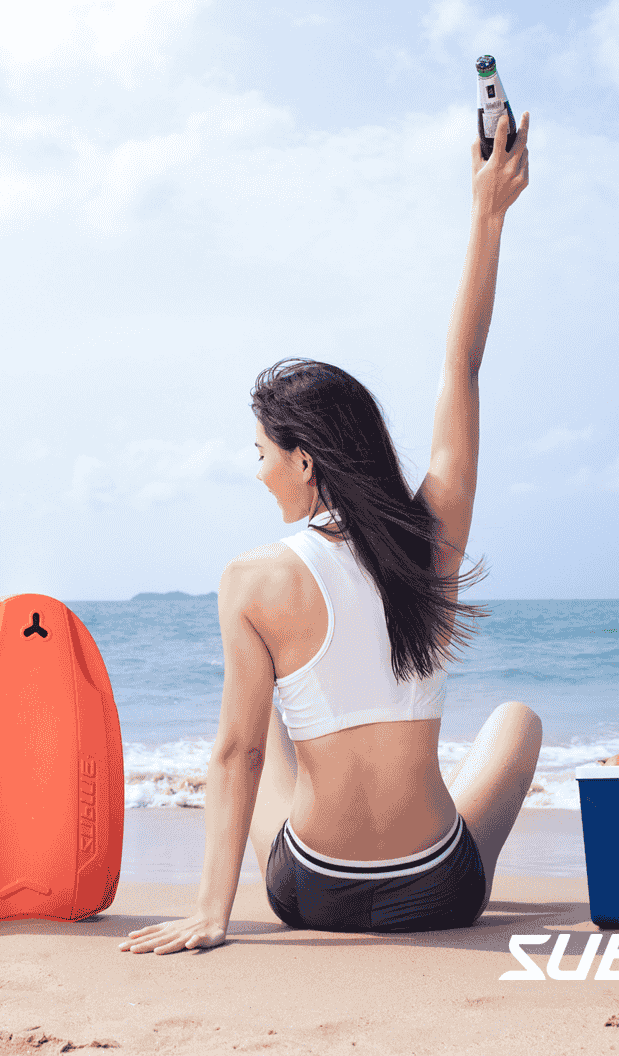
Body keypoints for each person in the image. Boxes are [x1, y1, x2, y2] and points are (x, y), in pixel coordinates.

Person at [120, 110, 539, 953]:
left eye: (263, 453)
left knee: (265, 712)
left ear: (305, 461)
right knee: (519, 722)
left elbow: (236, 755)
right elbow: (463, 365)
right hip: (439, 890)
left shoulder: (252, 579)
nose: (259, 469)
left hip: (314, 894)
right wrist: (488, 212)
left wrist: (212, 915)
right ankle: (418, 813)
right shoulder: (433, 532)